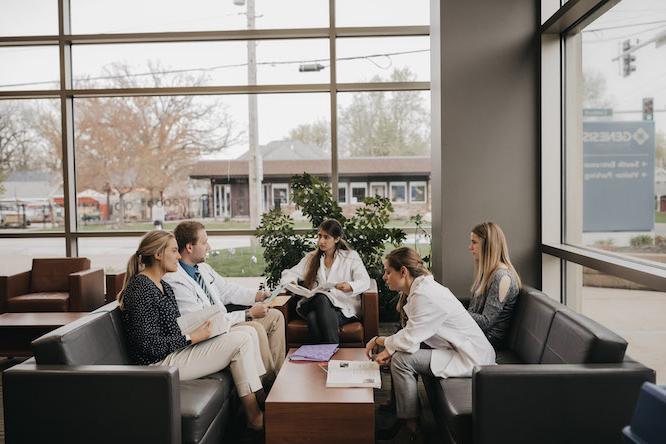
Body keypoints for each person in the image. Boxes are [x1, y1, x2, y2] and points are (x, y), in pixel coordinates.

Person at [118, 230, 265, 430]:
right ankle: (255, 416)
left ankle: (263, 401)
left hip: (172, 353)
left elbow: (172, 328)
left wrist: (205, 328)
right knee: (240, 342)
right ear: (158, 255)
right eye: (173, 251)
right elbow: (148, 344)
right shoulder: (141, 289)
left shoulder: (162, 286)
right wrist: (192, 337)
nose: (179, 256)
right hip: (157, 366)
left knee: (246, 333)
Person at [365, 247, 495, 442]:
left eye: (387, 271)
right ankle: (400, 410)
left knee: (401, 359)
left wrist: (379, 341)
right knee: (399, 353)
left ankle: (411, 427)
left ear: (403, 272)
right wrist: (389, 346)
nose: (384, 277)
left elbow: (409, 339)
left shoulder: (425, 295)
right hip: (455, 349)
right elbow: (413, 334)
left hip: (470, 357)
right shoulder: (421, 289)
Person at [164, 220, 285, 381]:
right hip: (213, 330)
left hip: (225, 321)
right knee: (255, 327)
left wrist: (258, 295)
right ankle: (269, 383)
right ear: (189, 247)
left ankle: (278, 376)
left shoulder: (203, 269)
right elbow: (204, 322)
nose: (209, 247)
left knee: (275, 317)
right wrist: (247, 314)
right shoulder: (175, 280)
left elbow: (228, 290)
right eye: (204, 242)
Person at [280, 218, 370, 344]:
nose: (321, 241)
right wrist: (292, 281)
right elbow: (289, 273)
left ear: (337, 239)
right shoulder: (312, 257)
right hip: (315, 302)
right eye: (320, 236)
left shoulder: (351, 257)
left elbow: (365, 281)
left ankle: (321, 357)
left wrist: (349, 286)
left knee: (313, 318)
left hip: (342, 308)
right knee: (322, 297)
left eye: (326, 237)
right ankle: (334, 353)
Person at [467, 221, 521, 349]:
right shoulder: (488, 273)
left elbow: (486, 322)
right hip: (474, 335)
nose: (470, 247)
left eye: (474, 242)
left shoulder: (502, 278)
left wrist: (456, 310)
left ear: (488, 246)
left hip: (486, 342)